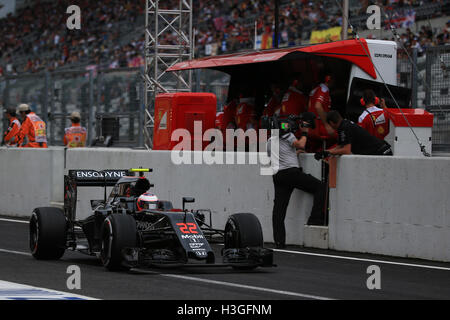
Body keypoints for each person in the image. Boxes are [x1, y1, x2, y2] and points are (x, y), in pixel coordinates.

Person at [267, 119, 327, 249]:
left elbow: (277, 155)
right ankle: (315, 219)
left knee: (279, 210)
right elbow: (301, 145)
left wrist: (293, 154)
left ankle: (279, 241)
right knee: (320, 187)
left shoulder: (269, 141)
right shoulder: (289, 136)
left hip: (278, 175)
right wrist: (305, 133)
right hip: (291, 173)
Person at [326, 111, 393, 156]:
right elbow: (340, 146)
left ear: (331, 123)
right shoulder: (344, 124)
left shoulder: (344, 127)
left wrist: (330, 152)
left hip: (381, 152)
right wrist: (326, 152)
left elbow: (346, 150)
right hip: (382, 149)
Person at [307, 71, 336, 151]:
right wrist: (327, 125)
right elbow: (317, 106)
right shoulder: (323, 89)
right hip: (319, 127)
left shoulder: (315, 90)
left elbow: (309, 106)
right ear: (329, 79)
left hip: (311, 127)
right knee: (341, 134)